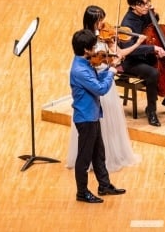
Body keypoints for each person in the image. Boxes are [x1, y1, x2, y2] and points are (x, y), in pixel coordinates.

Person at [66, 6, 142, 172]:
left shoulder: (105, 38)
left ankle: (110, 156)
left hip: (107, 78)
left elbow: (118, 55)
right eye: (99, 20)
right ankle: (93, 162)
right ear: (91, 21)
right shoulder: (86, 41)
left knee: (109, 123)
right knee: (96, 126)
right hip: (97, 83)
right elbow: (89, 64)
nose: (103, 24)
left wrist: (115, 45)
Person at [69, 29, 126, 203]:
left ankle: (104, 185)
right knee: (84, 158)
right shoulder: (80, 70)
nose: (96, 49)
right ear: (86, 50)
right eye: (93, 47)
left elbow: (95, 79)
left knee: (98, 153)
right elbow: (100, 89)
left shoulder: (85, 63)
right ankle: (82, 192)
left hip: (92, 115)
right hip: (85, 118)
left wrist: (108, 68)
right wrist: (111, 72)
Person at [118, 0, 165, 127]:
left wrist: (155, 16)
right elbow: (129, 49)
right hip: (132, 60)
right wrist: (152, 48)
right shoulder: (127, 24)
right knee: (153, 73)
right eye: (144, 4)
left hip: (147, 55)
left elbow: (152, 30)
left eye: (148, 2)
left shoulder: (145, 13)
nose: (147, 6)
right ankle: (151, 111)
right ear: (134, 6)